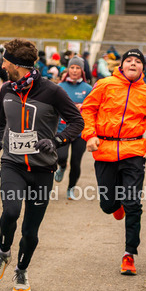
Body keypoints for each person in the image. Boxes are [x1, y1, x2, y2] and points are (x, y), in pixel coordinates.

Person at [0, 39, 84, 291]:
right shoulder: (6, 89)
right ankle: (3, 252)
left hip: (42, 169)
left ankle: (21, 270)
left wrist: (57, 141)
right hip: (13, 164)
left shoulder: (52, 91)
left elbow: (77, 122)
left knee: (30, 230)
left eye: (5, 61)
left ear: (17, 65)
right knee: (10, 211)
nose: (2, 65)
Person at [80, 48, 146, 276]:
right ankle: (116, 206)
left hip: (134, 151)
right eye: (129, 60)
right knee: (108, 205)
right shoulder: (105, 84)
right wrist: (90, 135)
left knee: (133, 203)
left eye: (137, 61)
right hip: (105, 150)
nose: (133, 64)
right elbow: (87, 110)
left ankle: (129, 254)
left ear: (142, 67)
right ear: (122, 65)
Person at [55, 57, 92, 199]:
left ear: (82, 71)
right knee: (61, 156)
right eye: (72, 67)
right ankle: (62, 166)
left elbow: (93, 108)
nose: (75, 71)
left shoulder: (87, 89)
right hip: (62, 130)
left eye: (77, 68)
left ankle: (71, 188)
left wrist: (83, 107)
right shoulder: (60, 87)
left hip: (80, 132)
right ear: (68, 69)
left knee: (76, 163)